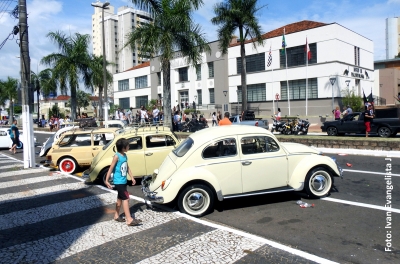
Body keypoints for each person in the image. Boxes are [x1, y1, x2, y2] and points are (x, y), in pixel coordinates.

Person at [104, 138, 141, 226]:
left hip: (123, 181)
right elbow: (111, 168)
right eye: (128, 146)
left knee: (120, 199)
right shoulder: (117, 156)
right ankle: (129, 219)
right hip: (118, 181)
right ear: (123, 148)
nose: (129, 147)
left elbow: (127, 167)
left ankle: (116, 215)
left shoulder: (124, 155)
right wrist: (106, 180)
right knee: (126, 198)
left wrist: (132, 177)